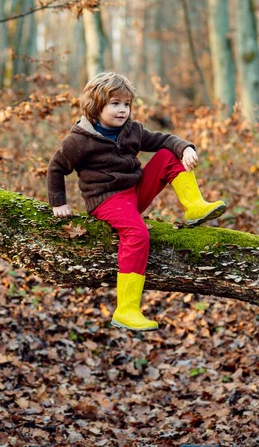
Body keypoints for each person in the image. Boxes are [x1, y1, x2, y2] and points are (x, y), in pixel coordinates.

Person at [47, 72, 226, 332]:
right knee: (137, 234)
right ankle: (126, 309)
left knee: (168, 154)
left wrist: (186, 148)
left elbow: (164, 140)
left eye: (126, 104)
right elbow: (55, 167)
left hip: (134, 192)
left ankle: (194, 206)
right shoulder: (80, 140)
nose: (122, 110)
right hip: (106, 200)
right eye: (114, 104)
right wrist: (58, 202)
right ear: (96, 106)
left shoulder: (132, 130)